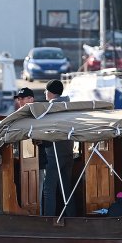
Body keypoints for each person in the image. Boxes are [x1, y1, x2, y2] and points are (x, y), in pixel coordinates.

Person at [40, 79, 76, 218]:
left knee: (49, 189)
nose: (44, 93)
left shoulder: (50, 109)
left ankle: (49, 220)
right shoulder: (69, 106)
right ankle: (72, 217)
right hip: (68, 153)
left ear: (50, 92)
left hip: (53, 154)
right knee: (66, 188)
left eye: (46, 90)